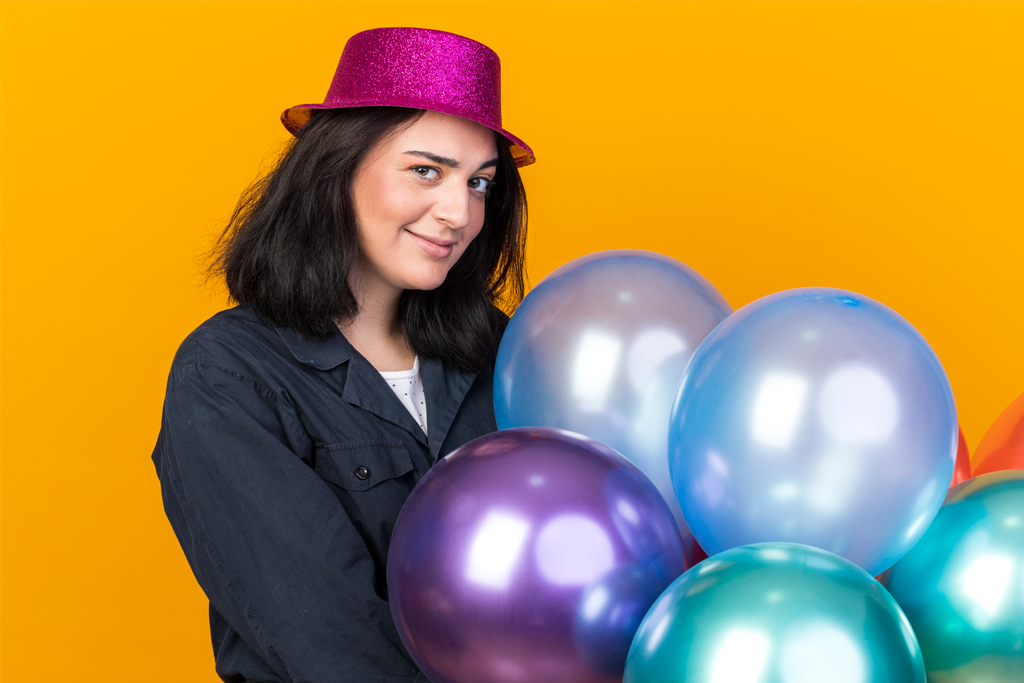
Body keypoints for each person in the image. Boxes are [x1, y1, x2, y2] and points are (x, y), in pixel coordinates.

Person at [152, 27, 534, 682]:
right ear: (336, 168)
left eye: (479, 182)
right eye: (426, 170)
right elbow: (328, 638)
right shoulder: (227, 375)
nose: (458, 212)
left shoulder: (507, 354)